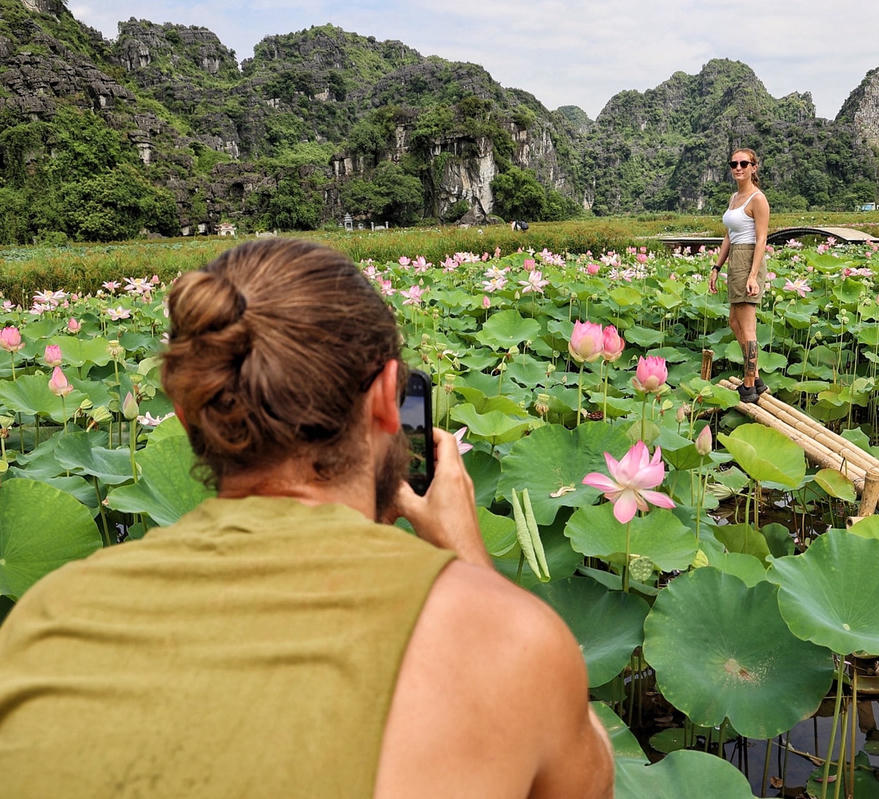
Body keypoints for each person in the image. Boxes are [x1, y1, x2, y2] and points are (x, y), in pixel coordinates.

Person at [0, 239, 614, 798]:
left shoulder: (41, 620)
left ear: (189, 421)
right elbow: (589, 784)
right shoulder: (508, 640)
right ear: (385, 401)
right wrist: (469, 562)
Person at [709, 147, 771, 404]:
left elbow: (761, 238)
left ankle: (749, 385)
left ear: (754, 167)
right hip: (735, 258)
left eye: (744, 164)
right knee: (734, 323)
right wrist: (716, 268)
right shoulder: (734, 198)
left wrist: (753, 275)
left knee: (748, 327)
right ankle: (755, 376)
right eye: (733, 163)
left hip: (749, 260)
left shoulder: (758, 199)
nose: (738, 168)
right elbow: (728, 236)